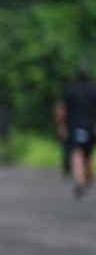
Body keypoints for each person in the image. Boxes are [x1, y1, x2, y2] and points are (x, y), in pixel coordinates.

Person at [56, 68, 96, 198]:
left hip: (75, 128)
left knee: (77, 154)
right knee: (88, 155)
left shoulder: (69, 89)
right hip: (91, 128)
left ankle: (80, 180)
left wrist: (61, 126)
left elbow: (61, 110)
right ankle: (87, 177)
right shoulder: (93, 90)